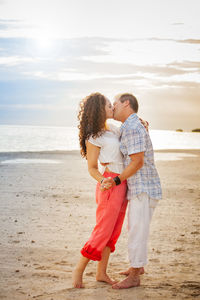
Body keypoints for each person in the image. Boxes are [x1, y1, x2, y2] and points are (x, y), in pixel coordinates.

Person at [103, 93, 162, 289]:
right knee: (137, 228)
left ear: (126, 103)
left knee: (137, 229)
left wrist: (117, 180)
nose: (113, 106)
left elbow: (137, 162)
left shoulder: (133, 127)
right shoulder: (130, 125)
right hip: (141, 187)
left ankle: (135, 276)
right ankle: (138, 267)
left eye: (115, 103)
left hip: (143, 187)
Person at [72, 92, 128, 288]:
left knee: (113, 231)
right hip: (110, 184)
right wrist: (104, 181)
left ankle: (101, 273)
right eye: (108, 106)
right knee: (102, 230)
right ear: (99, 110)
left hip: (123, 183)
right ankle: (78, 270)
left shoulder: (113, 129)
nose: (112, 108)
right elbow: (92, 167)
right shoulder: (93, 136)